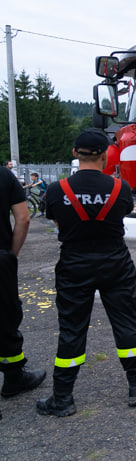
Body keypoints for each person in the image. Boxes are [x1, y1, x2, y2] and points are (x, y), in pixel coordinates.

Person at [36, 129, 136, 417]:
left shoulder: (56, 191)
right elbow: (125, 213)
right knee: (126, 324)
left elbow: (55, 219)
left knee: (71, 330)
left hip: (74, 264)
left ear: (75, 154)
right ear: (105, 155)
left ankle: (63, 398)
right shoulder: (121, 188)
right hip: (115, 262)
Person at [0, 163, 46, 420]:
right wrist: (10, 256)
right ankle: (14, 377)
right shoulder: (4, 175)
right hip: (1, 258)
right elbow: (23, 217)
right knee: (6, 317)